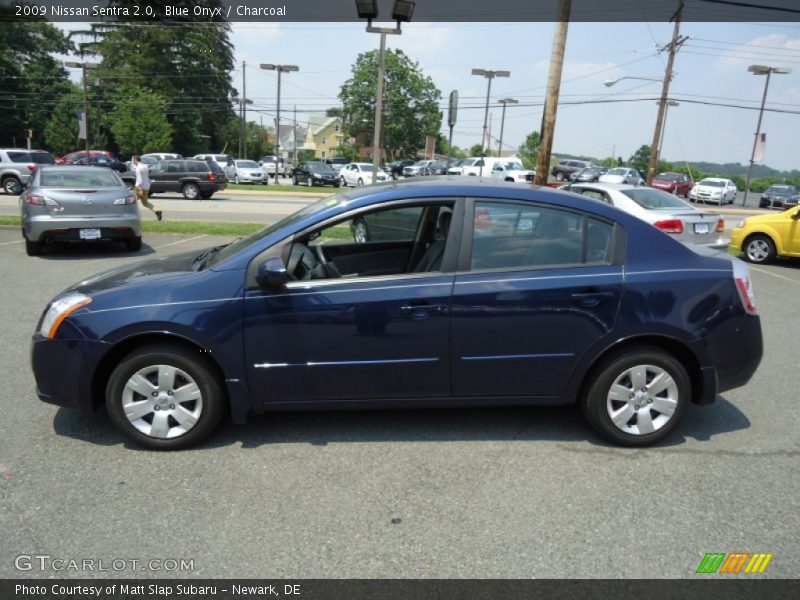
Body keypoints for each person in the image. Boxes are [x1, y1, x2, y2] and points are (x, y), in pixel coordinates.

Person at [131, 155, 162, 221]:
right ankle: (157, 211)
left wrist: (136, 188)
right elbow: (146, 177)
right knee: (145, 203)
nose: (132, 162)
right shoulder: (145, 166)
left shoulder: (138, 168)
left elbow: (139, 180)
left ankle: (132, 216)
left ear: (135, 160)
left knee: (132, 200)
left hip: (140, 187)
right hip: (147, 187)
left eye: (133, 160)